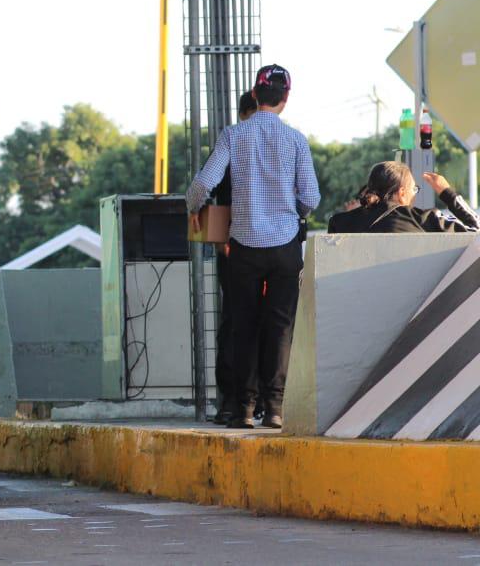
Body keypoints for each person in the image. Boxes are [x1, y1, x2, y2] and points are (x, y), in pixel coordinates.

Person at [187, 65, 320, 430]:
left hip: (244, 245)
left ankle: (243, 409)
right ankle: (275, 408)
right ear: (286, 97)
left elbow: (205, 182)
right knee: (280, 327)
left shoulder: (233, 135)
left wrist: (194, 207)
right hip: (284, 246)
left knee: (242, 326)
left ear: (255, 92)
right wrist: (293, 212)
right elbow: (310, 196)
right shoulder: (296, 141)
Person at [212, 91, 259, 425]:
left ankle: (233, 402)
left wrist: (218, 240)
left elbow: (211, 193)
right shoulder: (283, 143)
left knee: (234, 322)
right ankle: (266, 404)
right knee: (269, 324)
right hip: (275, 246)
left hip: (234, 245)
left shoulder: (231, 142)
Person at [328, 162, 478, 233]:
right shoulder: (421, 219)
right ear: (401, 192)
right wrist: (447, 193)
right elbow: (476, 230)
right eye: (414, 189)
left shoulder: (338, 222)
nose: (414, 194)